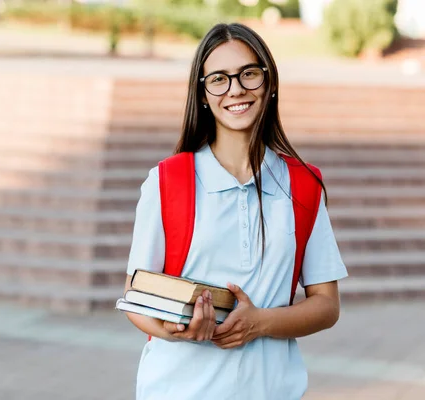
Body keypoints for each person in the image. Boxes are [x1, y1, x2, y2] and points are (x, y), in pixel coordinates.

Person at [123, 23, 348, 400]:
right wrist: (178, 329)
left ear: (269, 81)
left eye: (248, 73)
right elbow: (135, 296)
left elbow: (326, 305)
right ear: (204, 95)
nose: (236, 89)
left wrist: (260, 323)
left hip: (272, 391)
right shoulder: (168, 180)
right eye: (219, 79)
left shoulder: (303, 183)